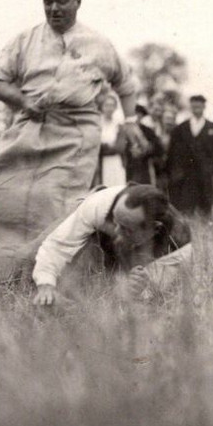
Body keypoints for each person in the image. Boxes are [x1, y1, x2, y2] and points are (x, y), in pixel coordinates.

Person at [0, 0, 141, 253]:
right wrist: (21, 100)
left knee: (55, 202)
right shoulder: (27, 39)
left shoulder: (99, 44)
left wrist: (130, 121)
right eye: (48, 2)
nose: (54, 8)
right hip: (30, 126)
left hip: (76, 134)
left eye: (62, 1)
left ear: (78, 2)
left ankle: (54, 269)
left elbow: (126, 83)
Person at [32, 183, 190, 306]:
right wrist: (45, 284)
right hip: (91, 223)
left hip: (136, 258)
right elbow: (58, 246)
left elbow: (151, 296)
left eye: (126, 229)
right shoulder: (99, 205)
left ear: (155, 228)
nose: (117, 234)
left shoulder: (179, 247)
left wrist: (132, 291)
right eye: (114, 223)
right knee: (27, 261)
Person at [166, 94, 213, 219]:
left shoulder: (212, 127)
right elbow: (173, 152)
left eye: (199, 106)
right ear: (191, 107)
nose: (197, 108)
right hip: (186, 174)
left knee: (205, 203)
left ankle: (206, 230)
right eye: (194, 106)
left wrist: (210, 167)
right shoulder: (181, 128)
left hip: (205, 174)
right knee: (186, 204)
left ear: (204, 107)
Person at [124, 103, 164, 186]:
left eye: (138, 114)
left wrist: (145, 151)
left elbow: (158, 149)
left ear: (142, 116)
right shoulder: (123, 130)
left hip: (144, 166)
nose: (136, 117)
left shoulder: (148, 131)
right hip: (128, 166)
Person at [97, 92, 128, 187]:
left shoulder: (118, 125)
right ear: (102, 107)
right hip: (100, 162)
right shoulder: (97, 124)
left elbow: (120, 147)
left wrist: (105, 146)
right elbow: (96, 146)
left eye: (112, 105)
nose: (109, 108)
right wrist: (106, 146)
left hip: (115, 162)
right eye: (106, 105)